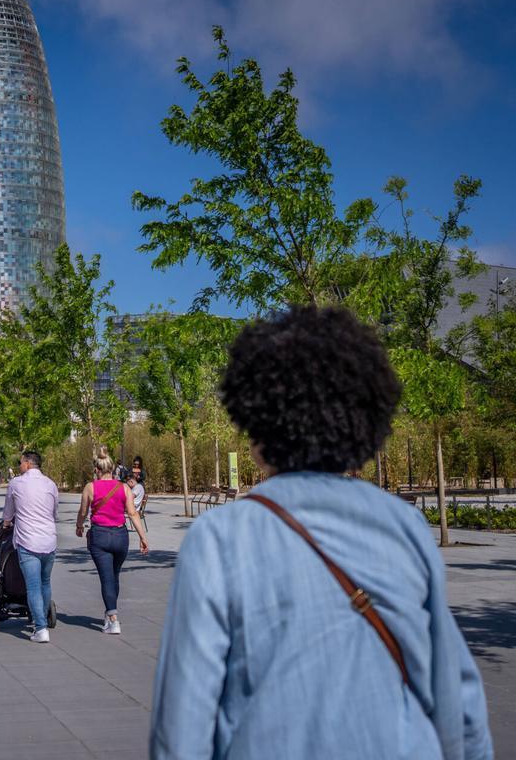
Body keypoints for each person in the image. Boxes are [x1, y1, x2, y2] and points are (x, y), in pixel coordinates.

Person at [150, 306, 493, 759]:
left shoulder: (220, 537)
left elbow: (183, 721)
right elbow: (452, 689)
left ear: (256, 423)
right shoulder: (403, 524)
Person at [74, 450, 149, 634]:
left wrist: (79, 526)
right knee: (114, 575)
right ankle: (109, 614)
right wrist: (142, 537)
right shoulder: (124, 488)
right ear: (113, 469)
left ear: (97, 469)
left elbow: (83, 512)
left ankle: (113, 619)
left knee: (106, 577)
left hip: (100, 536)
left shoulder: (90, 488)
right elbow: (133, 513)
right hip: (121, 537)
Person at [1, 450, 59, 643]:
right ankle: (38, 618)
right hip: (49, 541)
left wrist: (7, 523)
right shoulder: (51, 484)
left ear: (27, 463)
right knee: (45, 582)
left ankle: (41, 628)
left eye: (20, 462)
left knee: (33, 586)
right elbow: (54, 512)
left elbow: (8, 512)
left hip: (28, 542)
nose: (19, 466)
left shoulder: (16, 483)